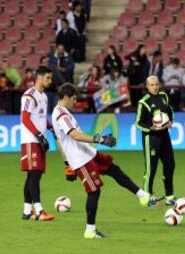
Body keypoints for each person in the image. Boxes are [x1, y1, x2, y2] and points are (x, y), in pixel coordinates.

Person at [52, 83, 155, 239]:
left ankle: (143, 196)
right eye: (74, 99)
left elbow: (62, 140)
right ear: (66, 97)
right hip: (80, 160)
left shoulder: (62, 112)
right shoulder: (61, 115)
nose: (75, 102)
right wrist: (99, 139)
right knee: (94, 191)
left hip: (88, 153)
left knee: (114, 169)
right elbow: (74, 135)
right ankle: (90, 230)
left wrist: (67, 163)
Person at [135, 76, 176, 205]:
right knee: (151, 169)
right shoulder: (143, 102)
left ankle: (169, 197)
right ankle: (147, 198)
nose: (155, 87)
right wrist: (151, 128)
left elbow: (170, 110)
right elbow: (138, 123)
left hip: (164, 136)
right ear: (147, 86)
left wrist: (170, 121)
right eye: (152, 85)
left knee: (170, 165)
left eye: (157, 84)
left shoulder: (164, 96)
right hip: (151, 139)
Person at [20, 66, 54, 221]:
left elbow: (39, 118)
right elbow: (25, 118)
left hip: (39, 139)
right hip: (31, 140)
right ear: (39, 77)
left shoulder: (44, 97)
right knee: (34, 175)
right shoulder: (29, 96)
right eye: (48, 78)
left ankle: (27, 212)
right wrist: (39, 135)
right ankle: (39, 211)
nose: (50, 81)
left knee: (33, 175)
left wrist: (50, 127)